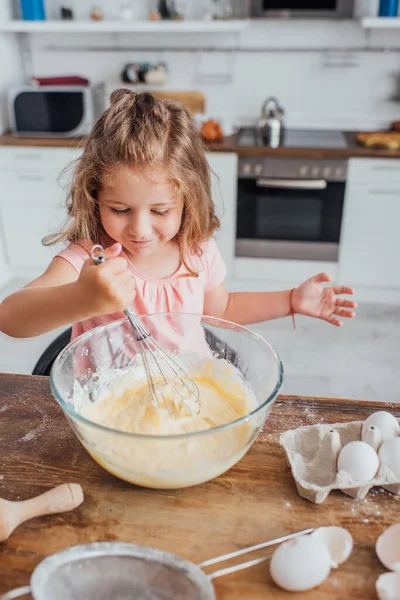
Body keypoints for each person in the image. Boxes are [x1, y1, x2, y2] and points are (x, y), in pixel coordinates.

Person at [0, 90, 356, 342]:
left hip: (186, 392)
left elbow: (223, 308)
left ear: (189, 200)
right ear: (94, 198)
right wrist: (81, 298)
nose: (140, 229)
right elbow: (10, 317)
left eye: (160, 211)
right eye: (119, 209)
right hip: (106, 404)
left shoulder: (195, 250)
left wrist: (291, 300)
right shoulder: (89, 259)